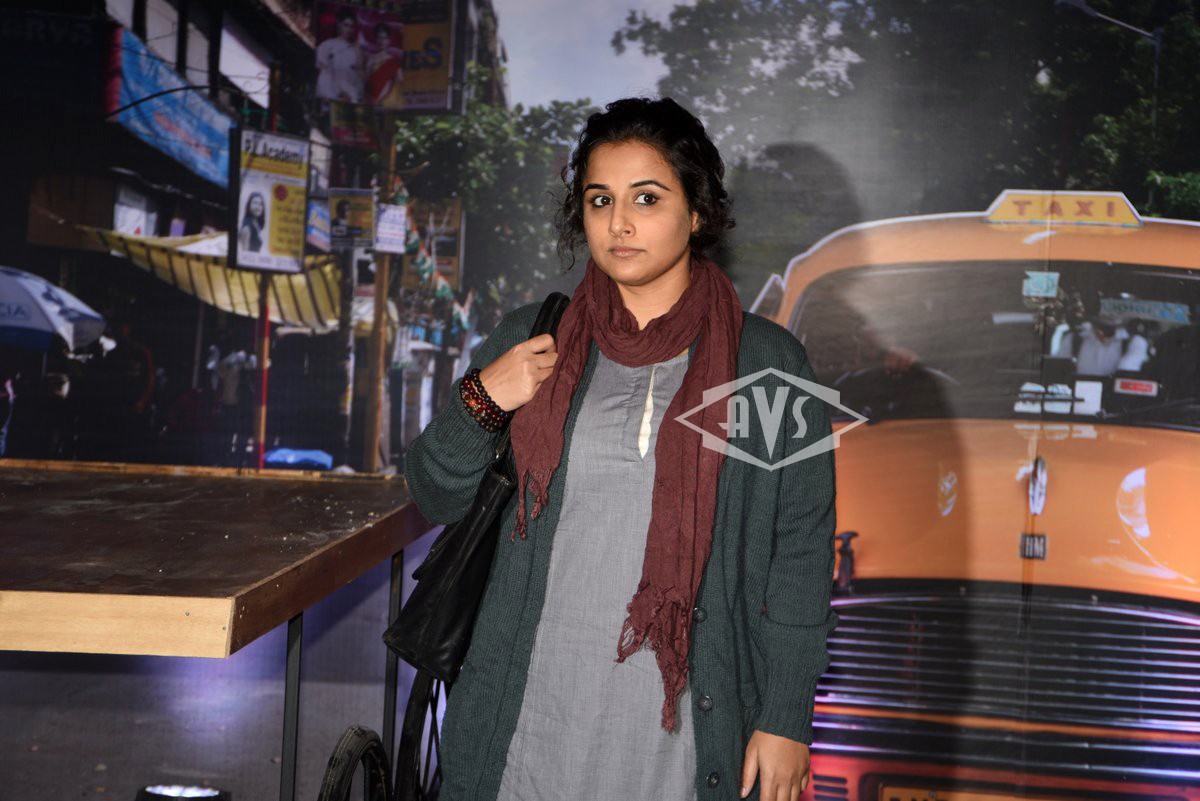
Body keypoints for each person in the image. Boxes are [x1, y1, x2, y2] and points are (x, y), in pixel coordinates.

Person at [404, 98, 837, 801]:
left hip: (678, 732)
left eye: (647, 198)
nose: (619, 222)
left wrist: (786, 715)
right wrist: (483, 398)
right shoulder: (534, 338)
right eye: (600, 199)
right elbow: (435, 491)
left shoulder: (766, 364)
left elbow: (800, 553)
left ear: (696, 213)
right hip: (530, 716)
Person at [315, 9, 364, 103]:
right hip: (330, 95)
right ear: (339, 24)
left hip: (351, 97)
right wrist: (338, 93)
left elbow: (361, 78)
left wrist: (358, 53)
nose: (349, 30)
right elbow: (323, 75)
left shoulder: (356, 50)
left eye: (352, 26)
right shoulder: (326, 46)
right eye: (346, 25)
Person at [365, 22, 403, 107]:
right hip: (373, 102)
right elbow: (366, 83)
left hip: (389, 102)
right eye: (379, 38)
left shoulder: (394, 62)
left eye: (385, 38)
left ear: (389, 40)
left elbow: (400, 81)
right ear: (375, 39)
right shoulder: (371, 59)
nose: (382, 41)